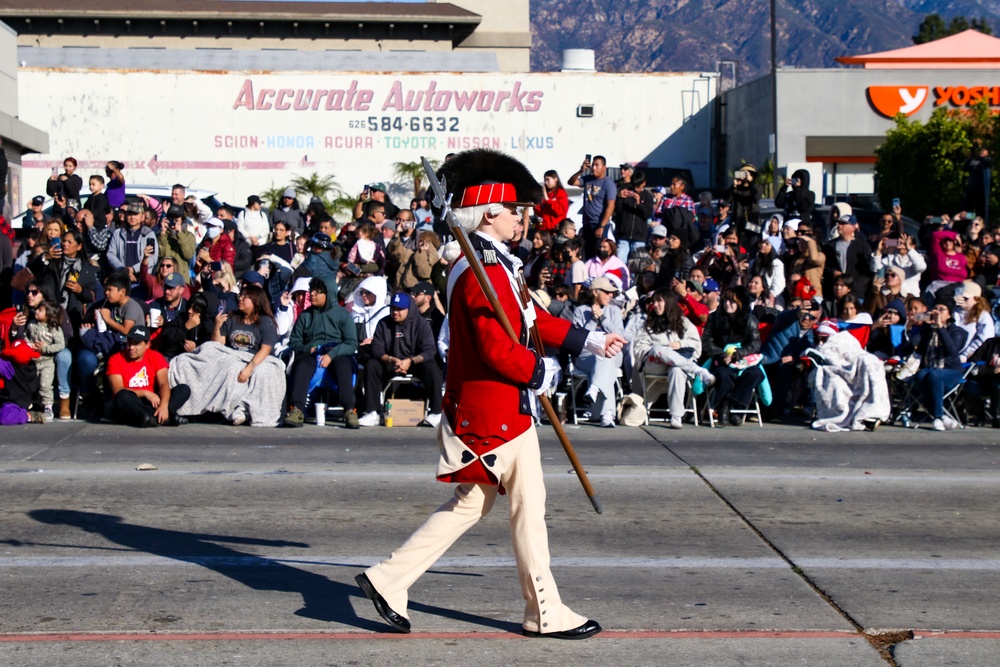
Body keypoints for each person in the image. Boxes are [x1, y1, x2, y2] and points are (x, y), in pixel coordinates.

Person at [356, 148, 624, 641]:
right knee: (494, 505)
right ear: (490, 214)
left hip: (502, 408)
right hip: (494, 409)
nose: (523, 218)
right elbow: (494, 346)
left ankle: (396, 580)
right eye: (515, 210)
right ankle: (535, 611)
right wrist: (536, 371)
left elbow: (530, 319)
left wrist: (588, 339)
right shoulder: (482, 270)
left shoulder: (496, 264)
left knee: (507, 504)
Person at [168, 284, 285, 427]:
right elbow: (218, 345)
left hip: (254, 359)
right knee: (188, 358)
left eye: (245, 297)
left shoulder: (265, 321)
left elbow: (266, 349)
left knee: (235, 368)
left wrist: (249, 368)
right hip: (231, 355)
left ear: (256, 301)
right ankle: (186, 404)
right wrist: (217, 326)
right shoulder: (232, 317)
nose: (240, 298)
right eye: (240, 295)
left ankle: (239, 408)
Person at [284, 276, 359, 429]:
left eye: (318, 292)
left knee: (343, 365)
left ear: (329, 294)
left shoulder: (343, 315)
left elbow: (351, 343)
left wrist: (332, 355)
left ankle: (350, 410)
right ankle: (297, 409)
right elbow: (294, 342)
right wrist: (307, 348)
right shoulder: (305, 315)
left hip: (336, 352)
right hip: (312, 351)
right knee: (303, 364)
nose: (312, 294)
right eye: (312, 291)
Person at [358, 291, 442, 426]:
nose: (395, 312)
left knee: (432, 366)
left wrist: (410, 361)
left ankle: (437, 412)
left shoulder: (421, 324)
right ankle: (372, 412)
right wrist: (392, 359)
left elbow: (429, 350)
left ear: (409, 309)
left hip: (414, 362)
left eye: (399, 309)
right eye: (393, 308)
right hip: (391, 362)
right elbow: (376, 350)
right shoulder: (383, 323)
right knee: (372, 365)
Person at [633, 290, 714, 428]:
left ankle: (676, 416)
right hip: (655, 363)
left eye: (660, 301)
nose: (656, 305)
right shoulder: (648, 324)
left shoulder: (684, 323)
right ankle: (698, 370)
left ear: (669, 303)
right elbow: (639, 349)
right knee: (658, 348)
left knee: (676, 369)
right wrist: (662, 350)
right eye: (654, 301)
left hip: (678, 366)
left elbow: (696, 346)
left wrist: (680, 344)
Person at [107, 325, 190, 428]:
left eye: (136, 344)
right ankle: (164, 419)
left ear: (147, 345)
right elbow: (117, 390)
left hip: (153, 403)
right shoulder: (115, 359)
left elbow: (164, 384)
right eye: (129, 343)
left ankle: (152, 418)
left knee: (184, 389)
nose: (131, 347)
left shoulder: (156, 357)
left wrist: (164, 406)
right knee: (122, 396)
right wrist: (145, 393)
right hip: (132, 402)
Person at [701, 287, 763, 426]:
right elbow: (707, 341)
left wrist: (737, 354)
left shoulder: (750, 320)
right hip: (720, 360)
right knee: (724, 374)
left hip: (743, 359)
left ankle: (733, 405)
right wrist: (721, 354)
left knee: (755, 374)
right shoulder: (714, 318)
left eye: (732, 301)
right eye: (726, 300)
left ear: (741, 303)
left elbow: (755, 343)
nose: (728, 304)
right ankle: (724, 407)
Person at [571, 276, 625, 427]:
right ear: (595, 292)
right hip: (587, 356)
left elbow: (620, 336)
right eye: (607, 292)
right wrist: (593, 320)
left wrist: (602, 318)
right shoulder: (580, 311)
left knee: (606, 354)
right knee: (605, 357)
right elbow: (578, 341)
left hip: (614, 353)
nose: (611, 295)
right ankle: (607, 414)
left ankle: (594, 387)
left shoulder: (614, 311)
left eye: (612, 292)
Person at [910, 302, 969, 431]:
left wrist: (941, 328)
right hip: (929, 369)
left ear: (949, 315)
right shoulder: (927, 329)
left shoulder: (958, 332)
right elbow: (915, 346)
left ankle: (936, 416)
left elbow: (952, 351)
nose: (937, 312)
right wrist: (917, 326)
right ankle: (941, 416)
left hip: (951, 371)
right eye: (935, 309)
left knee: (934, 375)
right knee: (920, 376)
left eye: (942, 310)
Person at [568, 155, 616, 258]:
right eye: (593, 165)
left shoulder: (608, 184)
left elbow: (610, 206)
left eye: (597, 165)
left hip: (598, 224)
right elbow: (571, 182)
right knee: (586, 253)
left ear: (604, 168)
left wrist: (601, 226)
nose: (593, 167)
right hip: (587, 223)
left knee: (597, 253)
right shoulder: (588, 179)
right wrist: (581, 171)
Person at [614, 170, 655, 263]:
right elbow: (618, 211)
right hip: (624, 234)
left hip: (639, 236)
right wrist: (620, 198)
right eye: (634, 186)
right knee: (620, 260)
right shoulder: (627, 192)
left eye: (638, 186)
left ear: (644, 183)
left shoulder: (648, 197)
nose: (636, 189)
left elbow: (648, 214)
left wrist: (639, 203)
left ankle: (635, 278)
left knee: (637, 262)